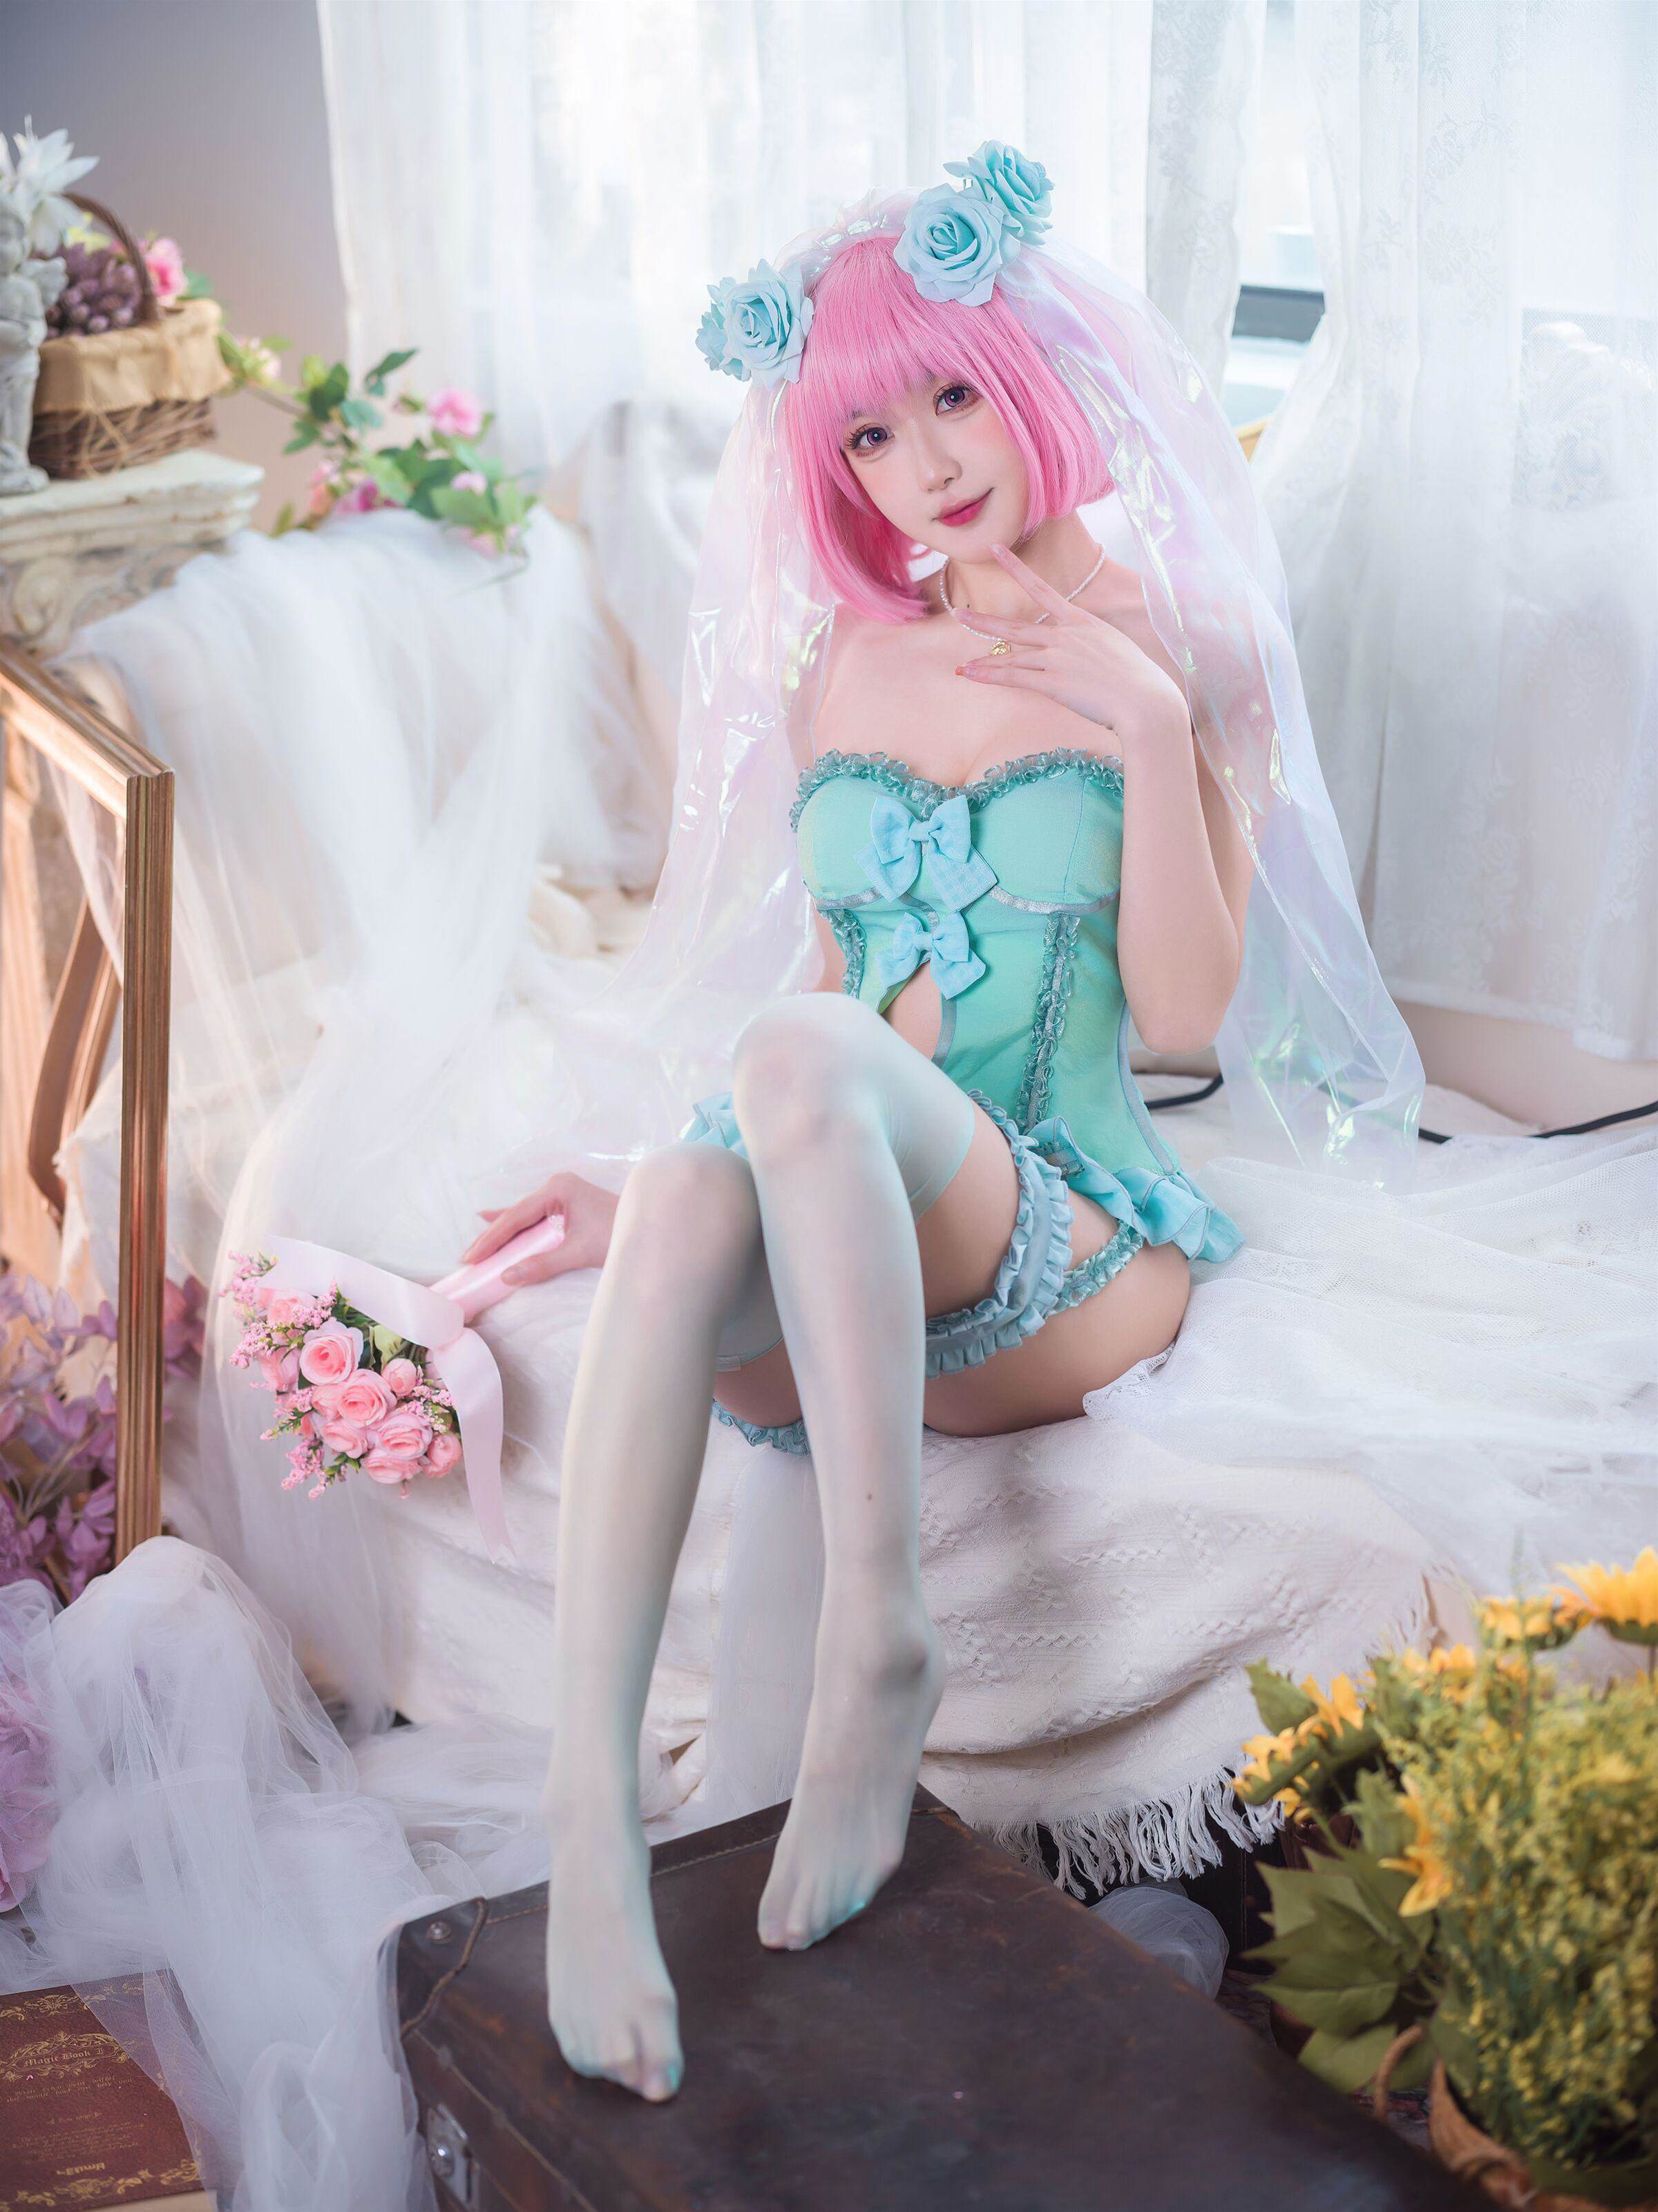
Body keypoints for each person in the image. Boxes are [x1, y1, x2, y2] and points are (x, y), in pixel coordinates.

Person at [451, 144, 1403, 2104]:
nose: (925, 463)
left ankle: (878, 1635)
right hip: (851, 1236)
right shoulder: (845, 663)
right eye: (869, 433)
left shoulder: (1185, 645)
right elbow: (832, 986)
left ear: (1032, 374)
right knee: (702, 1163)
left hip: (1071, 1241)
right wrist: (656, 1194)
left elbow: (1190, 1015)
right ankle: (589, 1829)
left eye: (953, 393)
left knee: (788, 1070)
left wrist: (1145, 718)